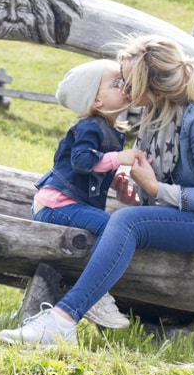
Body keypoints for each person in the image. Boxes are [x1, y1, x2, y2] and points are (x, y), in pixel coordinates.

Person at [0, 35, 194, 346]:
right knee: (122, 219)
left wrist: (155, 188)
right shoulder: (158, 109)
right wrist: (141, 192)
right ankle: (76, 307)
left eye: (127, 80)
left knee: (128, 223)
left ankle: (61, 322)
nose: (124, 88)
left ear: (150, 87)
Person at [31, 59, 137, 329]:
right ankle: (95, 295)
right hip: (57, 205)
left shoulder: (111, 129)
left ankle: (94, 289)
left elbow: (92, 169)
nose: (124, 86)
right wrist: (117, 158)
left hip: (64, 204)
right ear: (96, 101)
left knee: (114, 227)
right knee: (115, 228)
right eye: (116, 83)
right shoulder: (90, 126)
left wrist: (115, 181)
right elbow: (81, 161)